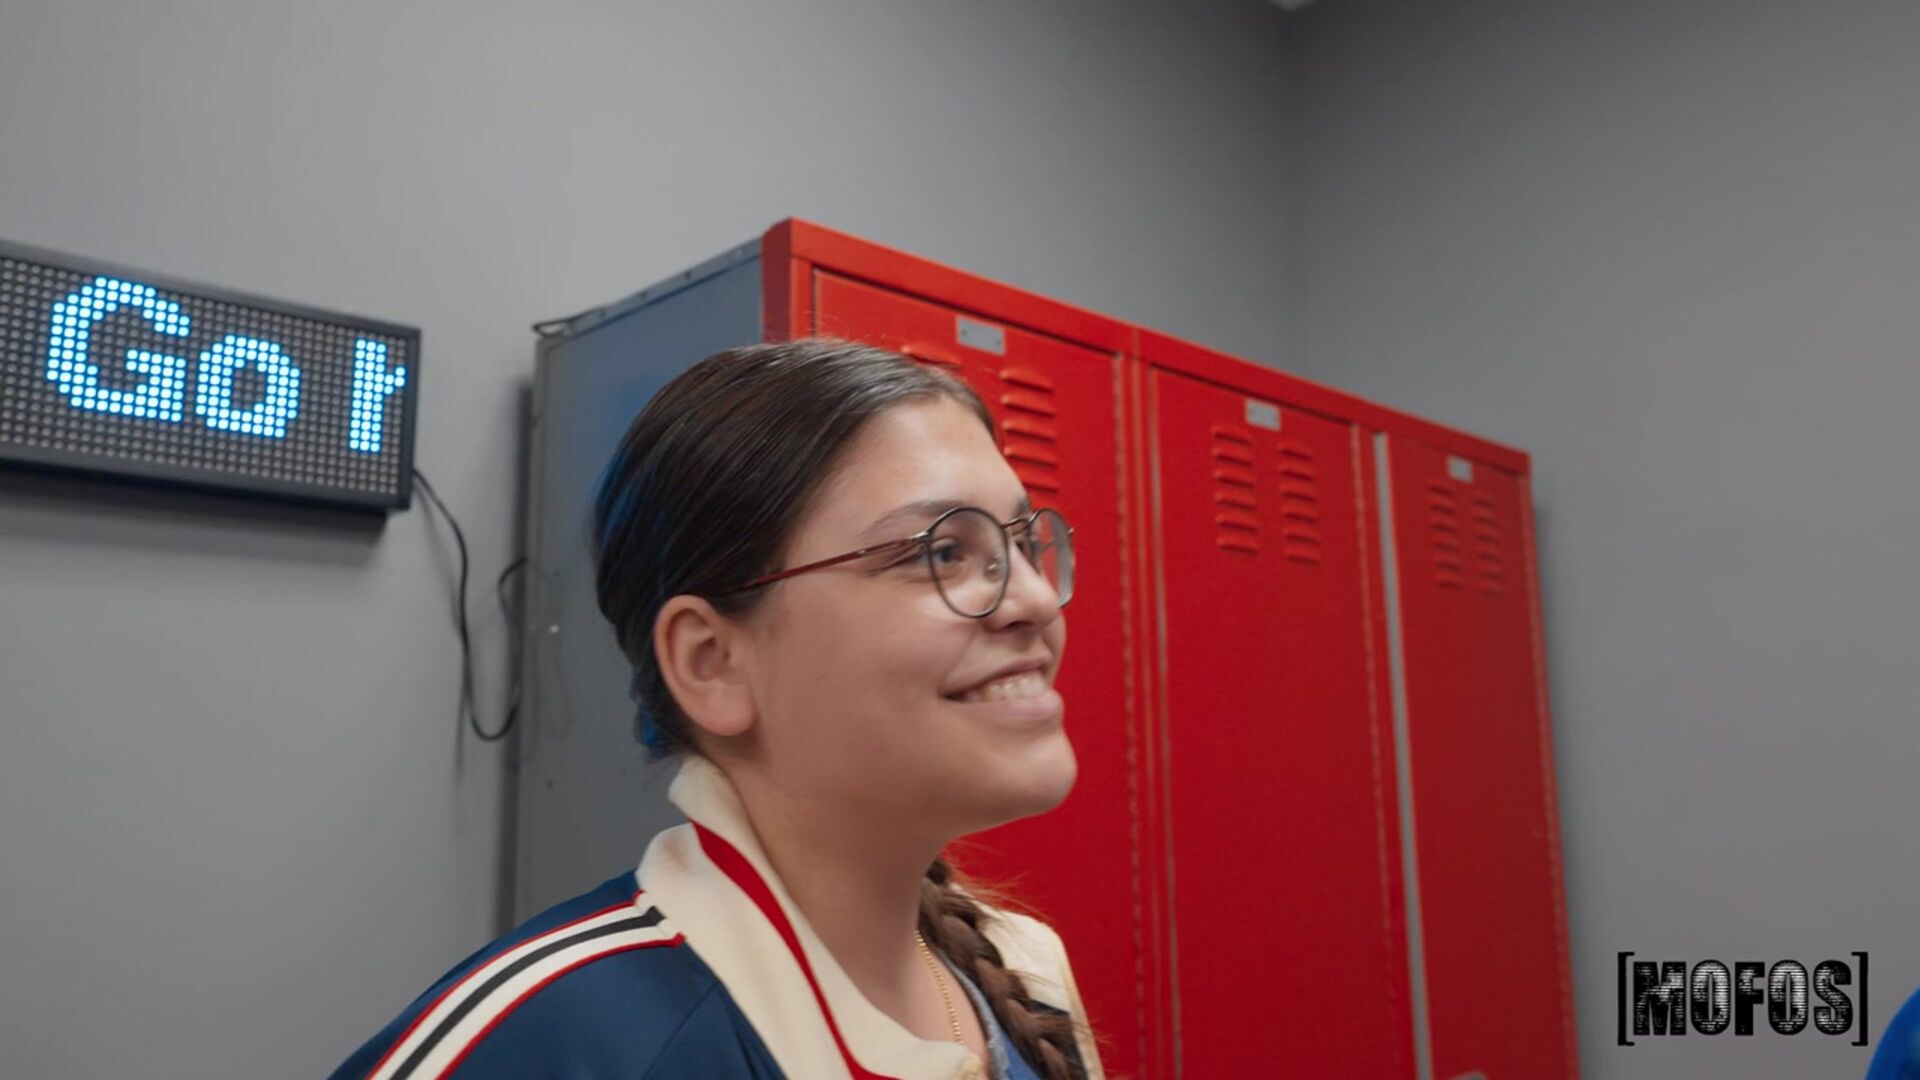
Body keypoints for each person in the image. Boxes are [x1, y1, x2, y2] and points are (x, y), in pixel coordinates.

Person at [328, 339, 1104, 1079]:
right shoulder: (556, 1039)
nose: (1036, 600)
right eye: (940, 552)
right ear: (712, 662)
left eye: (1019, 544)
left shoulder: (1027, 978)